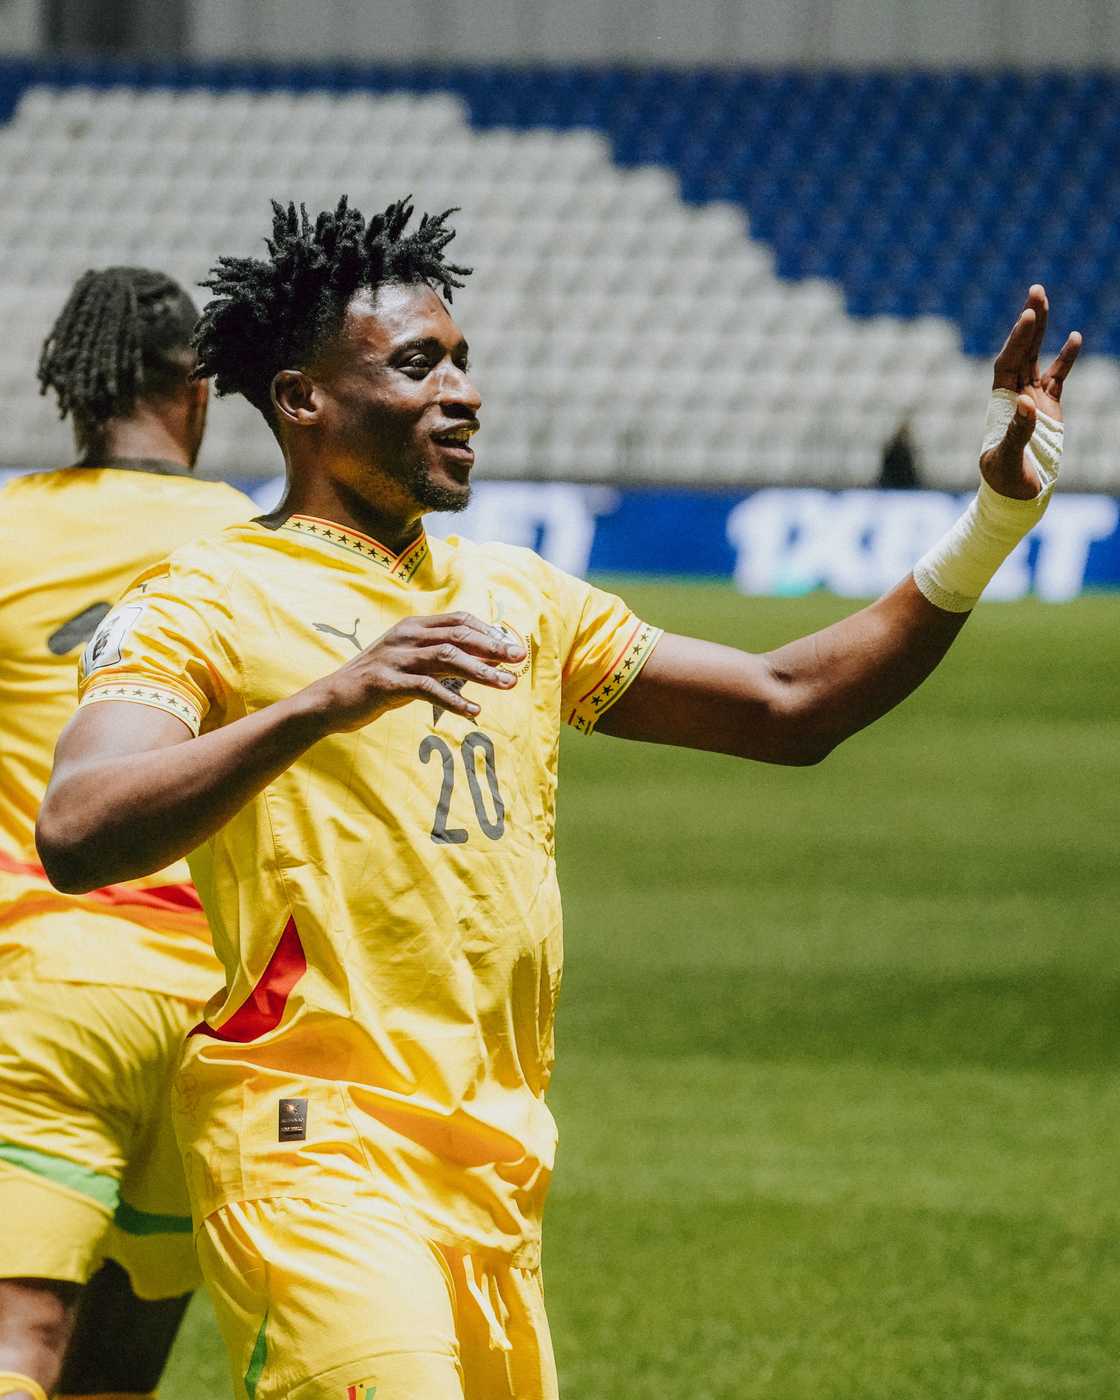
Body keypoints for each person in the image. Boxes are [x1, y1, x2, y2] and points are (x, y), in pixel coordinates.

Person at [35, 198, 1080, 1400]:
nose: (463, 392)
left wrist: (993, 519)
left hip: (493, 1169)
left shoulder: (516, 595)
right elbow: (80, 824)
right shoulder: (208, 595)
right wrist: (323, 700)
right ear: (301, 398)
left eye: (463, 360)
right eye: (417, 364)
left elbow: (789, 703)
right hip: (313, 1151)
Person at [0, 267, 253, 1400]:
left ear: (74, 388)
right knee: (118, 1369)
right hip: (217, 999)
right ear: (198, 390)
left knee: (19, 1339)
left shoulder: (10, 527)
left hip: (46, 979)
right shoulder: (255, 543)